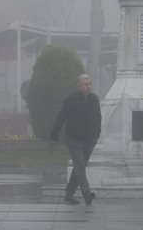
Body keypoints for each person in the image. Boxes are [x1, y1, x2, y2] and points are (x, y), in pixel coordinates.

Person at [50, 74, 102, 205]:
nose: (88, 86)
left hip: (90, 139)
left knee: (80, 166)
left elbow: (98, 117)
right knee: (79, 165)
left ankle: (69, 194)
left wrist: (97, 133)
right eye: (86, 84)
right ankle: (87, 194)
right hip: (74, 138)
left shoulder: (94, 99)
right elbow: (61, 117)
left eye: (90, 83)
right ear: (79, 86)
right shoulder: (71, 99)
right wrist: (54, 135)